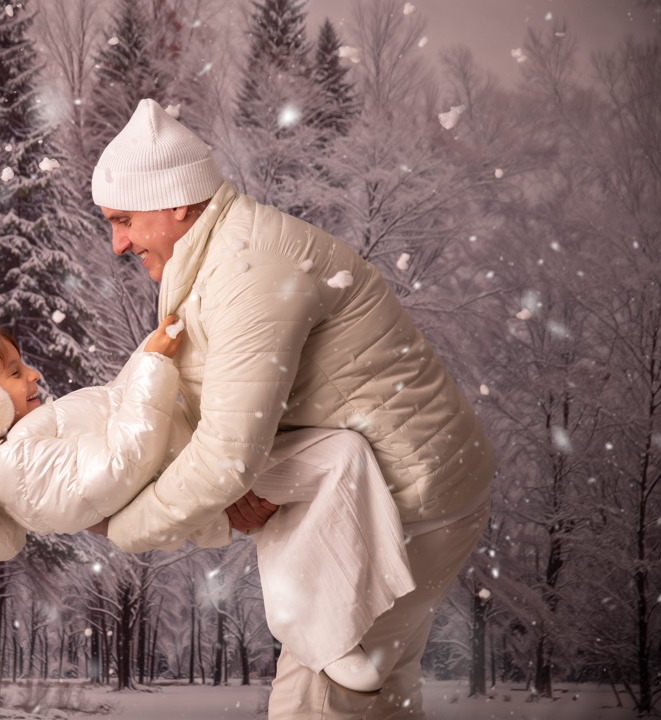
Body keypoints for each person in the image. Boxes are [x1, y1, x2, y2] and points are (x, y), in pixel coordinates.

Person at [89, 99, 495, 719]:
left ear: (176, 203)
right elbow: (224, 424)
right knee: (378, 696)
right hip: (405, 491)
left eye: (124, 220)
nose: (117, 244)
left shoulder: (248, 272)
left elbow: (226, 456)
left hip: (402, 502)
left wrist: (123, 525)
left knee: (316, 701)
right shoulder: (215, 264)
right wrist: (232, 487)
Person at [0, 314, 416, 690]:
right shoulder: (16, 469)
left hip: (201, 449)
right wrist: (154, 365)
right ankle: (326, 635)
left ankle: (324, 613)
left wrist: (151, 351)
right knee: (341, 457)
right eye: (13, 372)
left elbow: (118, 409)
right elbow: (124, 464)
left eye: (22, 364)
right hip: (200, 468)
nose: (34, 375)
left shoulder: (29, 443)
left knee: (336, 453)